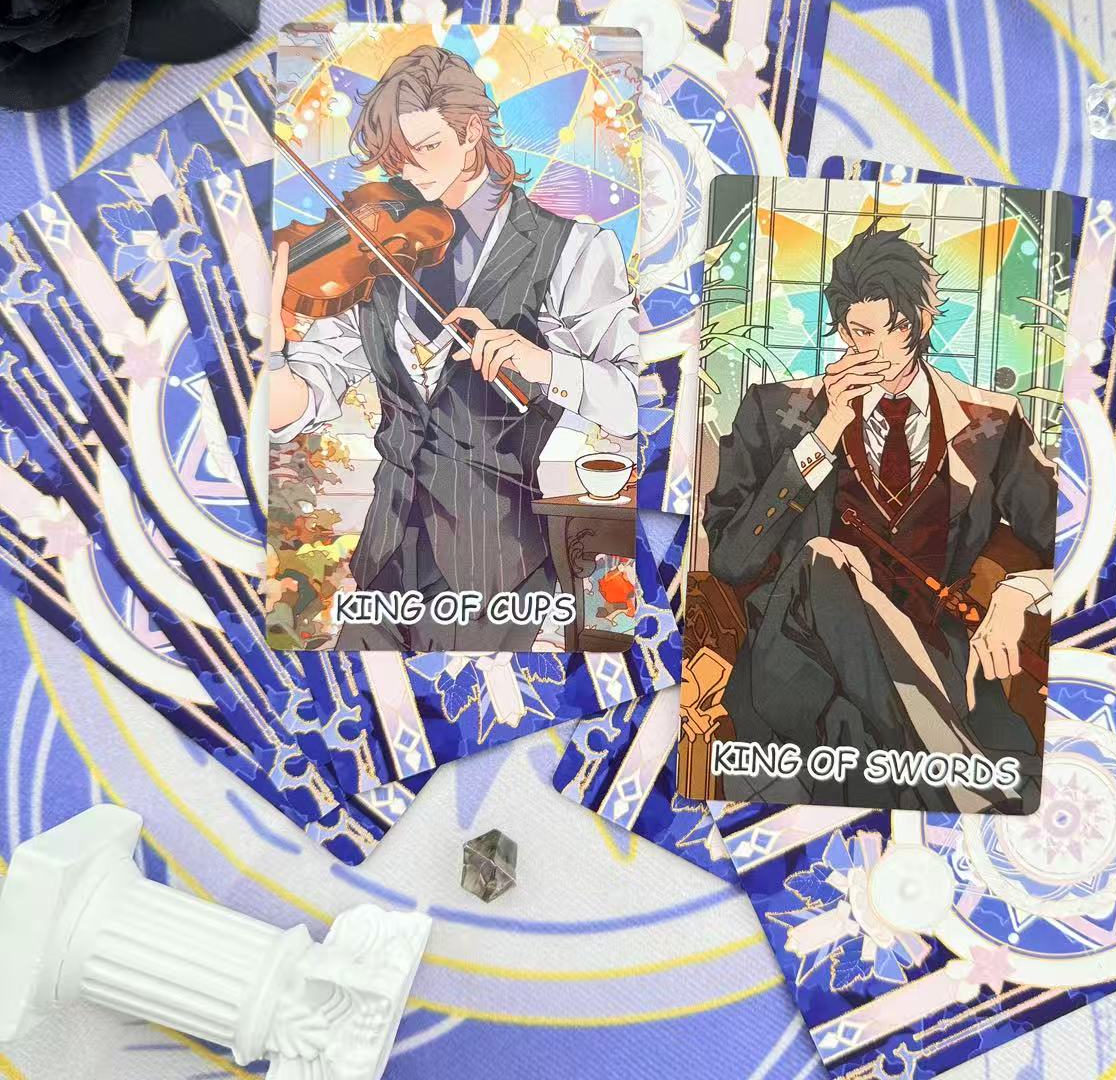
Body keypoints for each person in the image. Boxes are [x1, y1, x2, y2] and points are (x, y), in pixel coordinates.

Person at [268, 45, 639, 650]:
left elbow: (628, 403)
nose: (411, 172)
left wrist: (539, 362)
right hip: (385, 563)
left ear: (472, 133)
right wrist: (267, 352)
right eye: (397, 157)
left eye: (427, 148)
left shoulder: (574, 248)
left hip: (497, 568)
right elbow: (301, 398)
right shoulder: (374, 250)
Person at [704, 223, 1055, 812]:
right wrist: (826, 432)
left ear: (920, 324)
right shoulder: (776, 410)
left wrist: (1019, 593)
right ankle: (959, 773)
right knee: (827, 558)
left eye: (890, 331)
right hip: (800, 666)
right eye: (855, 332)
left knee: (855, 738)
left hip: (942, 666)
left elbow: (1080, 546)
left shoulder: (991, 425)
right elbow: (731, 561)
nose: (870, 350)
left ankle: (940, 757)